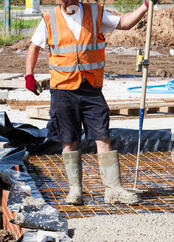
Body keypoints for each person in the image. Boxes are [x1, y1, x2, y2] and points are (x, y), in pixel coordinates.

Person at [25, 0, 158, 205]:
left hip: (91, 88)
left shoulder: (94, 13)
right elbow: (34, 47)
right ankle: (75, 190)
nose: (67, 2)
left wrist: (145, 6)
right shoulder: (50, 18)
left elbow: (124, 23)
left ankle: (113, 189)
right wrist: (29, 75)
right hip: (63, 89)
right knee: (69, 140)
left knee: (102, 137)